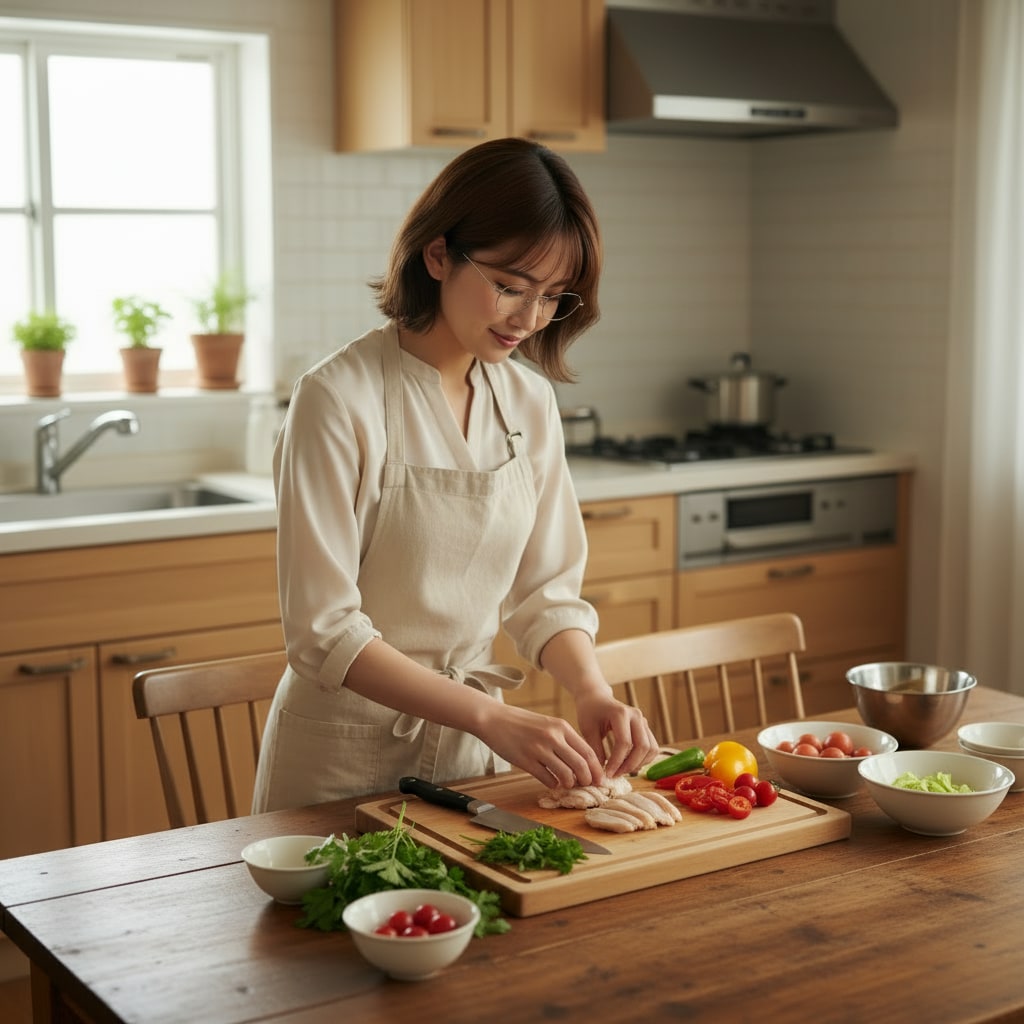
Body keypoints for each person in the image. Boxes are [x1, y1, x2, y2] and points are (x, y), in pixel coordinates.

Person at [252, 137, 659, 812]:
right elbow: (323, 631)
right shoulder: (337, 397)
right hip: (339, 763)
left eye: (553, 297)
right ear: (438, 255)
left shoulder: (528, 401)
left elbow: (545, 594)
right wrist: (489, 716)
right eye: (510, 287)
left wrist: (592, 690)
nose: (529, 319)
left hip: (474, 760)